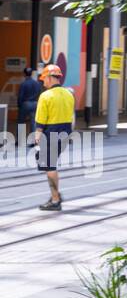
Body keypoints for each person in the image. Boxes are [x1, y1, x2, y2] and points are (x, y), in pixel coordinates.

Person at [30, 64, 75, 211]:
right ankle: (55, 194)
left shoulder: (45, 96)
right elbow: (71, 116)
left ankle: (55, 200)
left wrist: (37, 139)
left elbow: (40, 121)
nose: (43, 82)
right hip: (66, 132)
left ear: (50, 78)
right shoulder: (69, 94)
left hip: (51, 132)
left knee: (49, 166)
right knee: (51, 164)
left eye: (44, 79)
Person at [16, 66, 40, 136]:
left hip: (25, 104)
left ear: (24, 74)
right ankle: (32, 141)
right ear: (31, 74)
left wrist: (19, 105)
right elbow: (39, 93)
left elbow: (20, 96)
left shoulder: (23, 84)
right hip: (35, 104)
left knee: (21, 122)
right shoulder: (37, 83)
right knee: (33, 123)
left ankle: (20, 141)